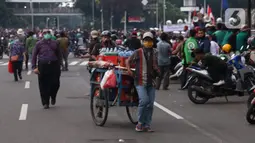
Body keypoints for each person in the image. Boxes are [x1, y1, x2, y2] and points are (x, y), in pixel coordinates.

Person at [127, 32, 160, 132]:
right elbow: (128, 61)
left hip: (152, 81)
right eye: (146, 40)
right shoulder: (138, 52)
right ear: (143, 41)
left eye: (149, 40)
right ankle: (140, 123)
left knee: (150, 104)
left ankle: (147, 124)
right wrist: (129, 70)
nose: (148, 42)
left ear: (152, 42)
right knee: (144, 101)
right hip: (140, 80)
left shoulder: (155, 52)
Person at [32, 30, 62, 109]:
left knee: (56, 83)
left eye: (48, 33)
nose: (46, 34)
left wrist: (60, 64)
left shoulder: (55, 43)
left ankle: (53, 96)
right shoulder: (38, 44)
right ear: (42, 34)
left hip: (54, 65)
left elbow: (59, 54)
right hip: (43, 65)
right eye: (45, 33)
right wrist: (34, 67)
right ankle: (45, 102)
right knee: (43, 85)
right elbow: (34, 55)